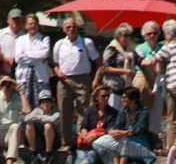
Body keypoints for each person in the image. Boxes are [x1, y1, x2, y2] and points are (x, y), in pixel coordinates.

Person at [53, 17, 101, 147]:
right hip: (64, 81)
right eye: (68, 27)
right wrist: (58, 72)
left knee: (84, 111)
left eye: (73, 26)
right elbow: (55, 65)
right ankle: (67, 141)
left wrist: (96, 79)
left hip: (82, 79)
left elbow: (98, 62)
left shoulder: (86, 42)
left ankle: (82, 140)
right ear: (64, 30)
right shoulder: (59, 44)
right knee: (64, 111)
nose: (71, 29)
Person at [147, 20, 176, 150]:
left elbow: (154, 60)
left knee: (172, 118)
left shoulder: (168, 47)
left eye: (164, 33)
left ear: (169, 34)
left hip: (174, 84)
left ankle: (171, 148)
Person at [91, 86, 156, 164]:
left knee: (124, 140)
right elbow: (117, 125)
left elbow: (140, 127)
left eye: (125, 97)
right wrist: (113, 131)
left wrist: (126, 133)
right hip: (124, 137)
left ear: (133, 99)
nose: (122, 100)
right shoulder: (123, 111)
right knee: (113, 139)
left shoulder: (144, 111)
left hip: (140, 140)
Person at [70, 85, 118, 164]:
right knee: (81, 155)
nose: (106, 98)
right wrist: (86, 136)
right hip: (86, 141)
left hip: (99, 144)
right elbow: (84, 126)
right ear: (97, 97)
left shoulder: (113, 113)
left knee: (92, 155)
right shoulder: (90, 110)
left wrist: (95, 135)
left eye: (108, 96)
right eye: (103, 96)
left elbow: (109, 131)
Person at [133, 21, 164, 141]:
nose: (152, 36)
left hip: (158, 82)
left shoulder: (161, 47)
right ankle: (139, 137)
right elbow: (140, 62)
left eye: (155, 33)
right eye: (149, 33)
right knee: (142, 111)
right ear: (144, 35)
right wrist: (150, 62)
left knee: (156, 112)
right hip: (144, 80)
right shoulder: (140, 48)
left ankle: (153, 138)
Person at [14, 14, 50, 109]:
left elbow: (44, 54)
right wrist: (37, 55)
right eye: (30, 24)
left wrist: (26, 53)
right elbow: (18, 58)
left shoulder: (44, 38)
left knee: (42, 105)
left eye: (34, 23)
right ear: (25, 26)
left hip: (40, 78)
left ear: (38, 25)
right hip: (23, 78)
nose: (32, 26)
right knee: (24, 105)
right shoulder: (20, 40)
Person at [98, 23, 135, 110]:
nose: (127, 38)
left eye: (129, 35)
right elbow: (105, 68)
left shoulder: (129, 50)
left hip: (125, 90)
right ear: (118, 36)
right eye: (125, 35)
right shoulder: (112, 48)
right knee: (113, 115)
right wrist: (124, 71)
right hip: (113, 89)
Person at [23, 88, 61, 164]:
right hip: (40, 140)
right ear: (40, 104)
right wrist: (42, 117)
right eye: (43, 101)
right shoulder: (37, 111)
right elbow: (26, 119)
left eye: (48, 101)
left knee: (48, 126)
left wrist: (39, 118)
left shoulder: (56, 111)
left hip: (54, 142)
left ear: (52, 103)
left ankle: (48, 155)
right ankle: (33, 154)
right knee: (29, 125)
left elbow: (54, 119)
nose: (45, 103)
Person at [0, 8, 25, 77]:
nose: (16, 21)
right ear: (8, 20)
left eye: (18, 19)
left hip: (20, 73)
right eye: (13, 19)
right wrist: (5, 59)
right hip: (2, 73)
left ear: (22, 21)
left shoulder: (25, 36)